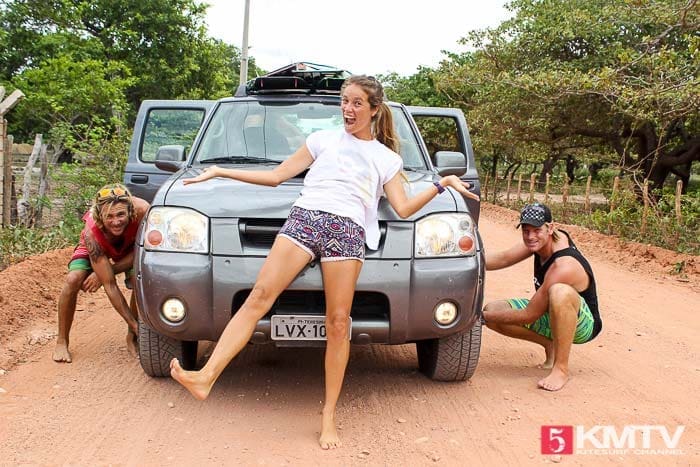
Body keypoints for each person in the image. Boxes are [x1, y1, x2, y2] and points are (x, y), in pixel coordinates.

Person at [170, 75, 480, 450]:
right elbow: (276, 176)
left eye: (356, 104)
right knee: (259, 298)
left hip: (345, 231)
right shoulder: (322, 140)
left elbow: (402, 207)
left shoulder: (387, 158)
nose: (347, 109)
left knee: (337, 323)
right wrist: (220, 171)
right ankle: (205, 376)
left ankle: (328, 415)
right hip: (305, 218)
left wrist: (441, 183)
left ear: (373, 110)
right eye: (344, 101)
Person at [482, 202, 602, 391]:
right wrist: (466, 260)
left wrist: (476, 317)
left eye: (536, 230)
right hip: (549, 312)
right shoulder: (540, 241)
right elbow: (504, 258)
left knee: (559, 292)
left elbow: (529, 314)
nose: (530, 236)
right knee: (494, 311)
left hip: (582, 323)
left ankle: (560, 369)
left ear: (550, 227)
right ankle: (550, 343)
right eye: (525, 230)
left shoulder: (564, 265)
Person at [52, 184, 150, 363]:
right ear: (99, 216)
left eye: (121, 214)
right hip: (99, 249)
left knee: (139, 279)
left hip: (131, 248)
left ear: (130, 211)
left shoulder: (144, 211)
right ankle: (62, 340)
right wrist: (102, 272)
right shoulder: (92, 234)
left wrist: (104, 272)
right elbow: (110, 285)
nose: (116, 221)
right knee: (73, 279)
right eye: (109, 217)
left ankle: (132, 337)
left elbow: (145, 248)